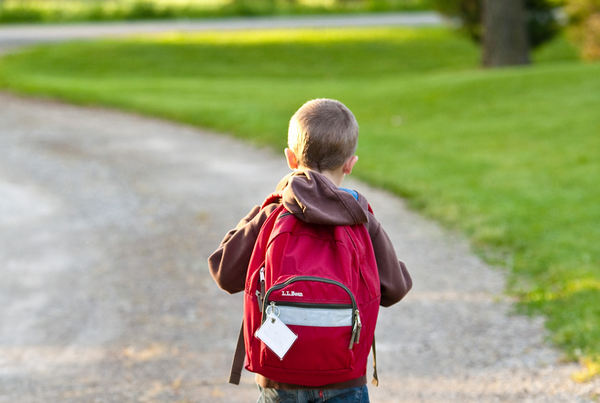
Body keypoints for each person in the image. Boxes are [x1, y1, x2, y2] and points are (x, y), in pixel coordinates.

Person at [208, 98, 412, 403]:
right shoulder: (360, 217)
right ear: (350, 164)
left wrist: (264, 208)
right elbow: (396, 289)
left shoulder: (274, 213)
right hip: (344, 376)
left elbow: (224, 272)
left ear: (291, 159)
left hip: (279, 376)